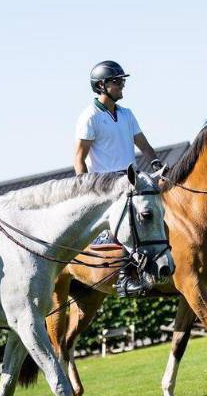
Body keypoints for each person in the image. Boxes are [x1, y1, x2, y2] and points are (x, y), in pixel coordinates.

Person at [74, 60, 162, 296]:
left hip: (131, 181)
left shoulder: (127, 114)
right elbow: (79, 158)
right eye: (117, 81)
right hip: (107, 186)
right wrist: (86, 189)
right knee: (126, 224)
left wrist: (156, 163)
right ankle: (124, 279)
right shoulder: (89, 116)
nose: (122, 85)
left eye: (122, 81)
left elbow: (143, 144)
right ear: (102, 86)